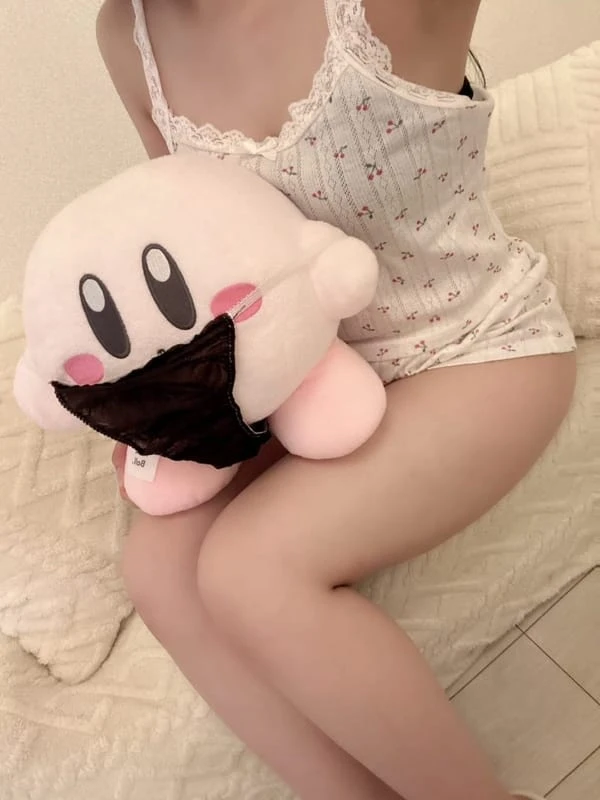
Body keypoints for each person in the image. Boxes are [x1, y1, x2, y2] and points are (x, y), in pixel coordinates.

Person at [96, 2, 576, 798]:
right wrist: (157, 398)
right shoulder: (127, 35)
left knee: (251, 570)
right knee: (158, 566)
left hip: (472, 344)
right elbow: (194, 236)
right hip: (312, 377)